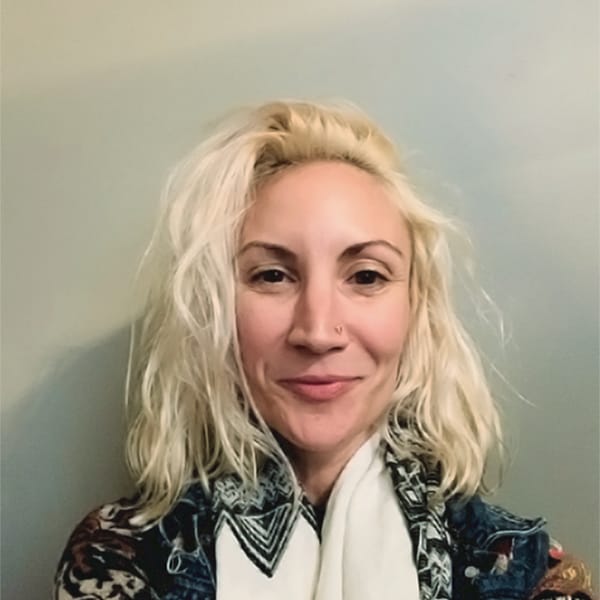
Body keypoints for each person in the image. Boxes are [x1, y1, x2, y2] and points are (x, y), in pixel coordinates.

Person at [54, 100, 595, 600]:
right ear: (215, 311)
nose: (317, 332)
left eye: (366, 276)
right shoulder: (117, 558)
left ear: (416, 308)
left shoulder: (523, 573)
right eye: (272, 275)